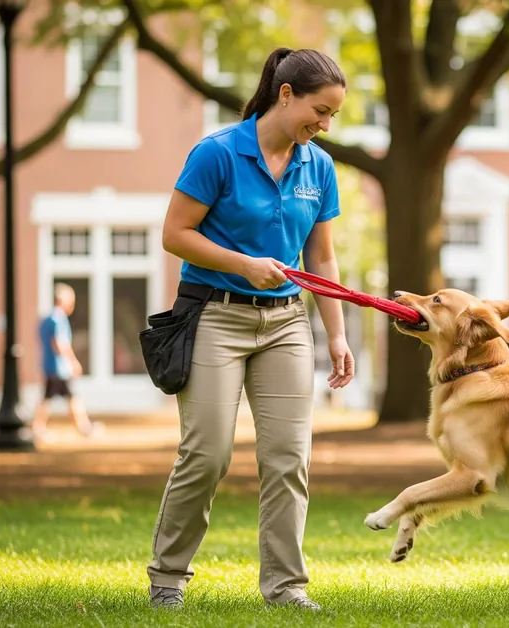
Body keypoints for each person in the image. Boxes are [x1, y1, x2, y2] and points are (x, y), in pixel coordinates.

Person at [146, 46, 355, 612]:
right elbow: (174, 233)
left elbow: (323, 258)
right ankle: (168, 577)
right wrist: (242, 263)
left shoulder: (319, 165)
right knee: (208, 453)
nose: (325, 123)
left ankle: (286, 588)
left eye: (333, 115)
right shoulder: (218, 153)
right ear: (285, 94)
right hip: (216, 314)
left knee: (289, 458)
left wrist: (336, 333)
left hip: (287, 323)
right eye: (320, 109)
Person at [32, 283, 102, 441]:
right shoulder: (58, 319)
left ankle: (39, 427)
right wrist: (73, 361)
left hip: (50, 365)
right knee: (71, 397)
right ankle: (83, 427)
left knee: (49, 397)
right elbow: (60, 343)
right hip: (59, 367)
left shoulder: (47, 319)